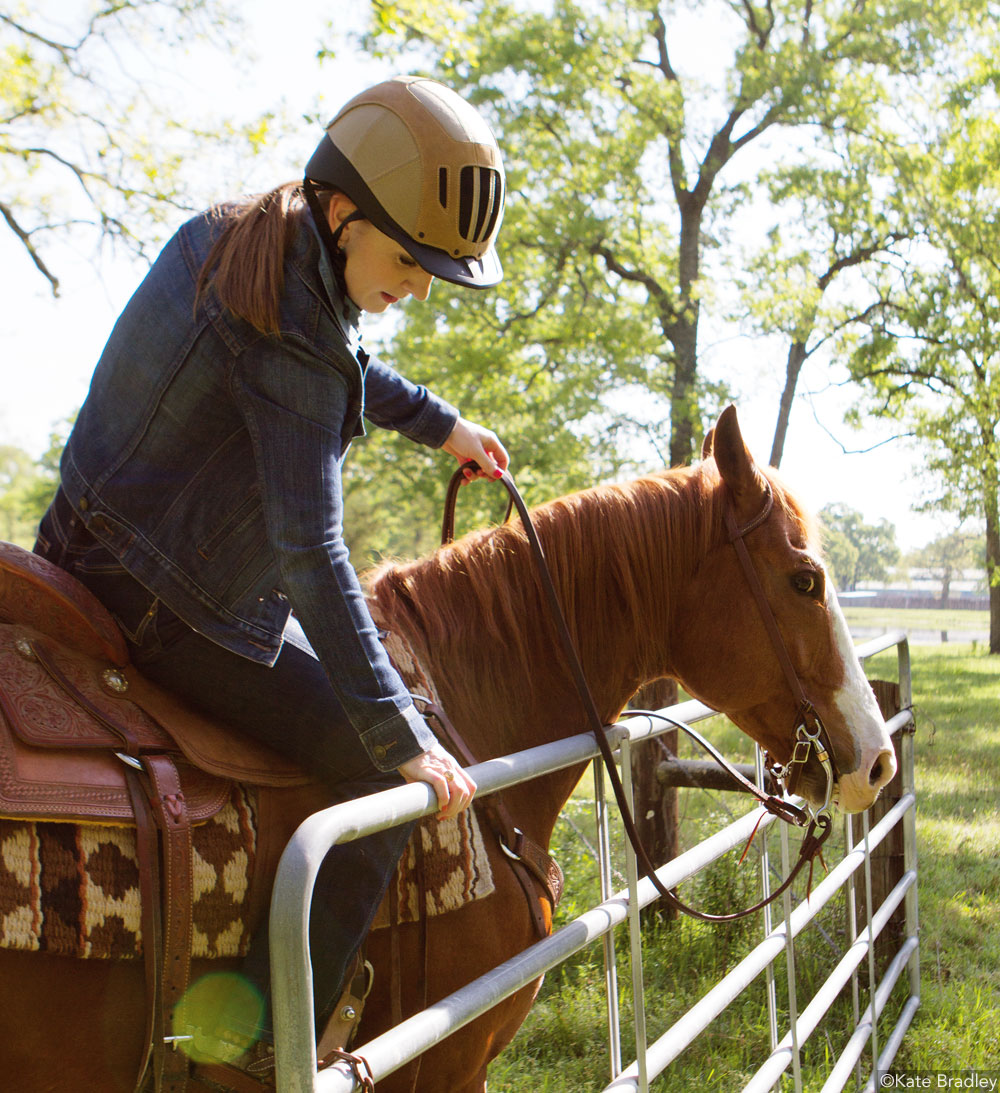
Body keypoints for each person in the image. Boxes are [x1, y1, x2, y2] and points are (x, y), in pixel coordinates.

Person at [33, 74, 508, 1086]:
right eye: (408, 258)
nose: (420, 285)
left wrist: (441, 424)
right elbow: (312, 551)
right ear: (343, 211)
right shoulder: (293, 326)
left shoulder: (249, 240)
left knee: (385, 712)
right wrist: (400, 740)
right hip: (169, 597)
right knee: (388, 773)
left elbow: (346, 367)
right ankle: (254, 1054)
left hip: (94, 546)